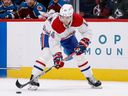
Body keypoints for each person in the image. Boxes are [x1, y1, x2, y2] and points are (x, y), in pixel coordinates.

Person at [49, 4, 102, 88]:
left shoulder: (77, 19)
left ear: (71, 16)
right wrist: (57, 55)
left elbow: (88, 32)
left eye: (67, 17)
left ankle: (90, 78)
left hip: (69, 38)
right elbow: (53, 43)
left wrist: (84, 43)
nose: (64, 20)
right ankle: (34, 77)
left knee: (79, 56)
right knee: (46, 54)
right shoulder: (55, 24)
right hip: (52, 36)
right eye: (62, 17)